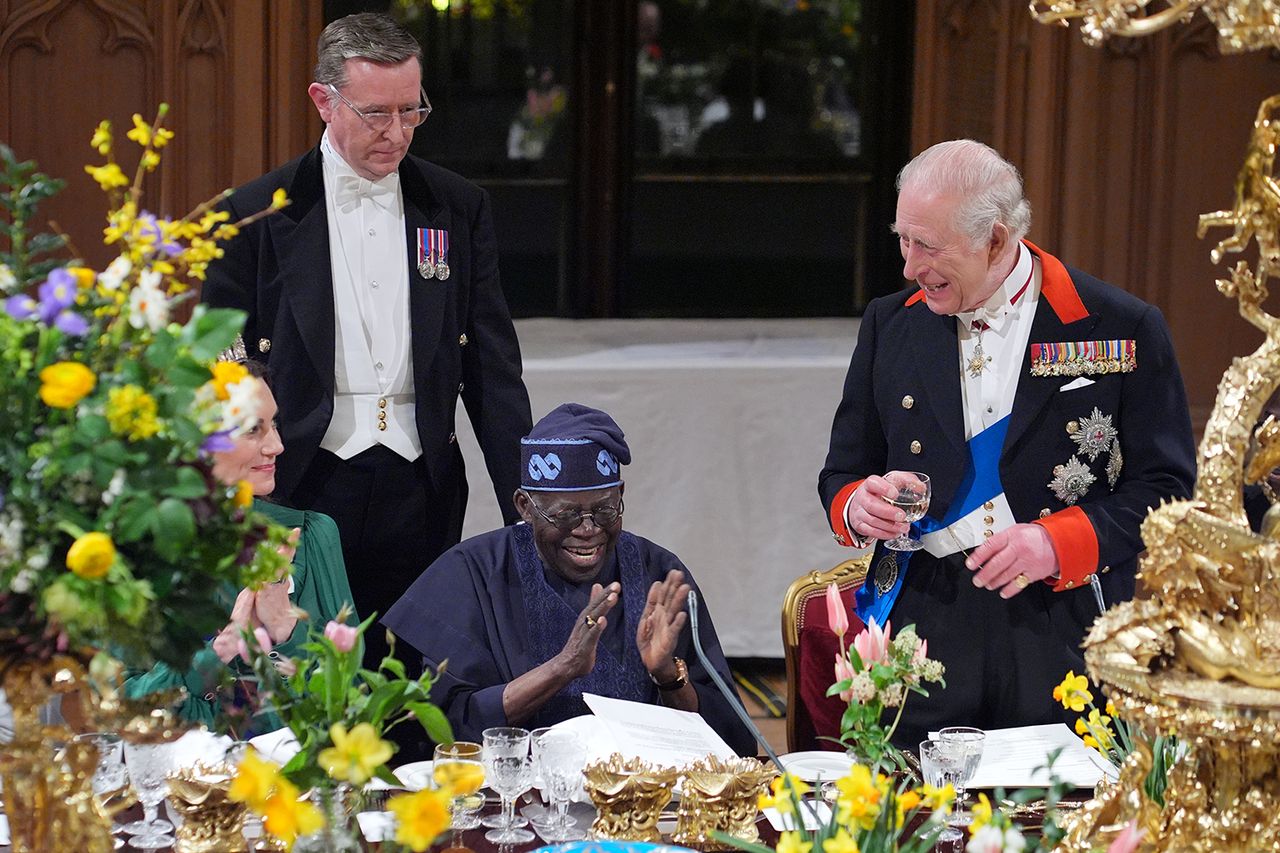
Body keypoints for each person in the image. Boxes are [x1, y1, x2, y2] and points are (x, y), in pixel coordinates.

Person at [818, 139, 1196, 749]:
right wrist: (859, 504)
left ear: (995, 239)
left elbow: (1168, 490)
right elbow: (842, 471)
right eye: (903, 240)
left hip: (1065, 620)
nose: (910, 266)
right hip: (925, 620)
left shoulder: (1119, 327)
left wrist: (1057, 542)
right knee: (916, 829)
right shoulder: (891, 323)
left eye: (929, 247)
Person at [200, 12, 533, 675]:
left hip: (422, 488)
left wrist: (525, 513)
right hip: (299, 482)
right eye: (377, 113)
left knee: (414, 685)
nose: (398, 133)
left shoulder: (456, 207)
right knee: (303, 684)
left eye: (413, 112)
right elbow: (217, 379)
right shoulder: (253, 215)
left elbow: (493, 374)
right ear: (323, 101)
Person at [384, 403, 756, 755]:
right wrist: (563, 668)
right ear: (525, 507)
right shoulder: (471, 574)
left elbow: (733, 741)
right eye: (566, 516)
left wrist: (668, 677)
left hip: (642, 798)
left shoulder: (655, 572)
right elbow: (443, 730)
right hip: (513, 800)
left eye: (605, 510)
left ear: (621, 494)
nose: (589, 530)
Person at [126, 361, 357, 731]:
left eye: (275, 424)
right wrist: (212, 659)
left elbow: (352, 709)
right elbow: (117, 716)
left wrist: (285, 630)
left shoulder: (313, 536)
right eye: (253, 430)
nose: (277, 445)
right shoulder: (141, 558)